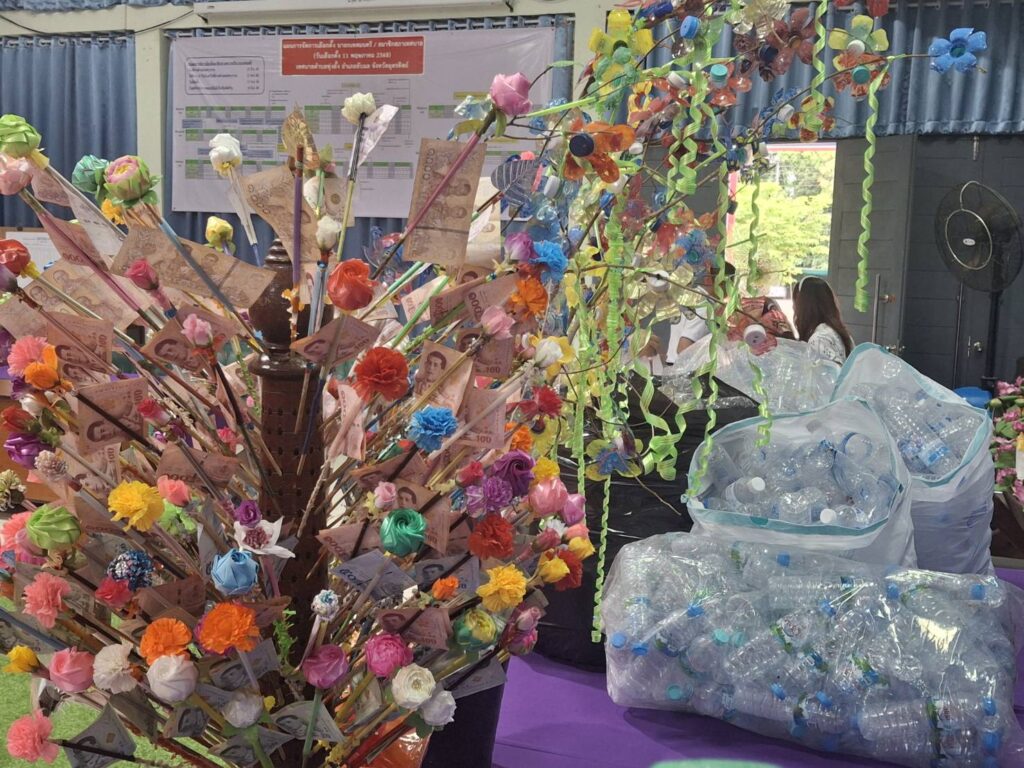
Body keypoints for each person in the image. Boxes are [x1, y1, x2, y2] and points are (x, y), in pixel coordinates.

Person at [793, 276, 854, 365]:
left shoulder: (818, 340)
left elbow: (827, 373)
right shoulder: (840, 333)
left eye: (795, 303)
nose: (793, 307)